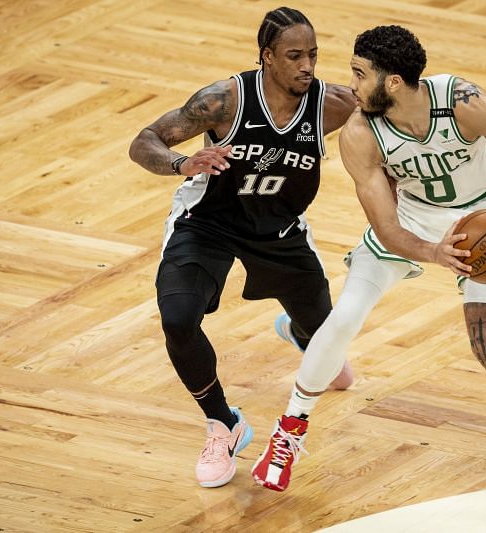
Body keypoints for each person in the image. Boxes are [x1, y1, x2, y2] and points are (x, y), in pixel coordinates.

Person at [252, 25, 486, 531]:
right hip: (415, 226)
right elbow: (386, 226)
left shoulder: (464, 102)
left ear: (393, 82)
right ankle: (289, 430)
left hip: (485, 221)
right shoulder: (359, 133)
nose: (350, 85)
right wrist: (433, 252)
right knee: (346, 314)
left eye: (360, 74)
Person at [128, 7, 355, 489]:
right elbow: (144, 140)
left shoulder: (332, 104)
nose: (307, 66)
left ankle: (302, 334)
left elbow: (398, 116)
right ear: (267, 57)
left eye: (313, 55)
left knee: (331, 357)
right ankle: (223, 423)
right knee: (177, 319)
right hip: (208, 224)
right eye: (295, 56)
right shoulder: (223, 100)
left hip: (280, 231)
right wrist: (181, 162)